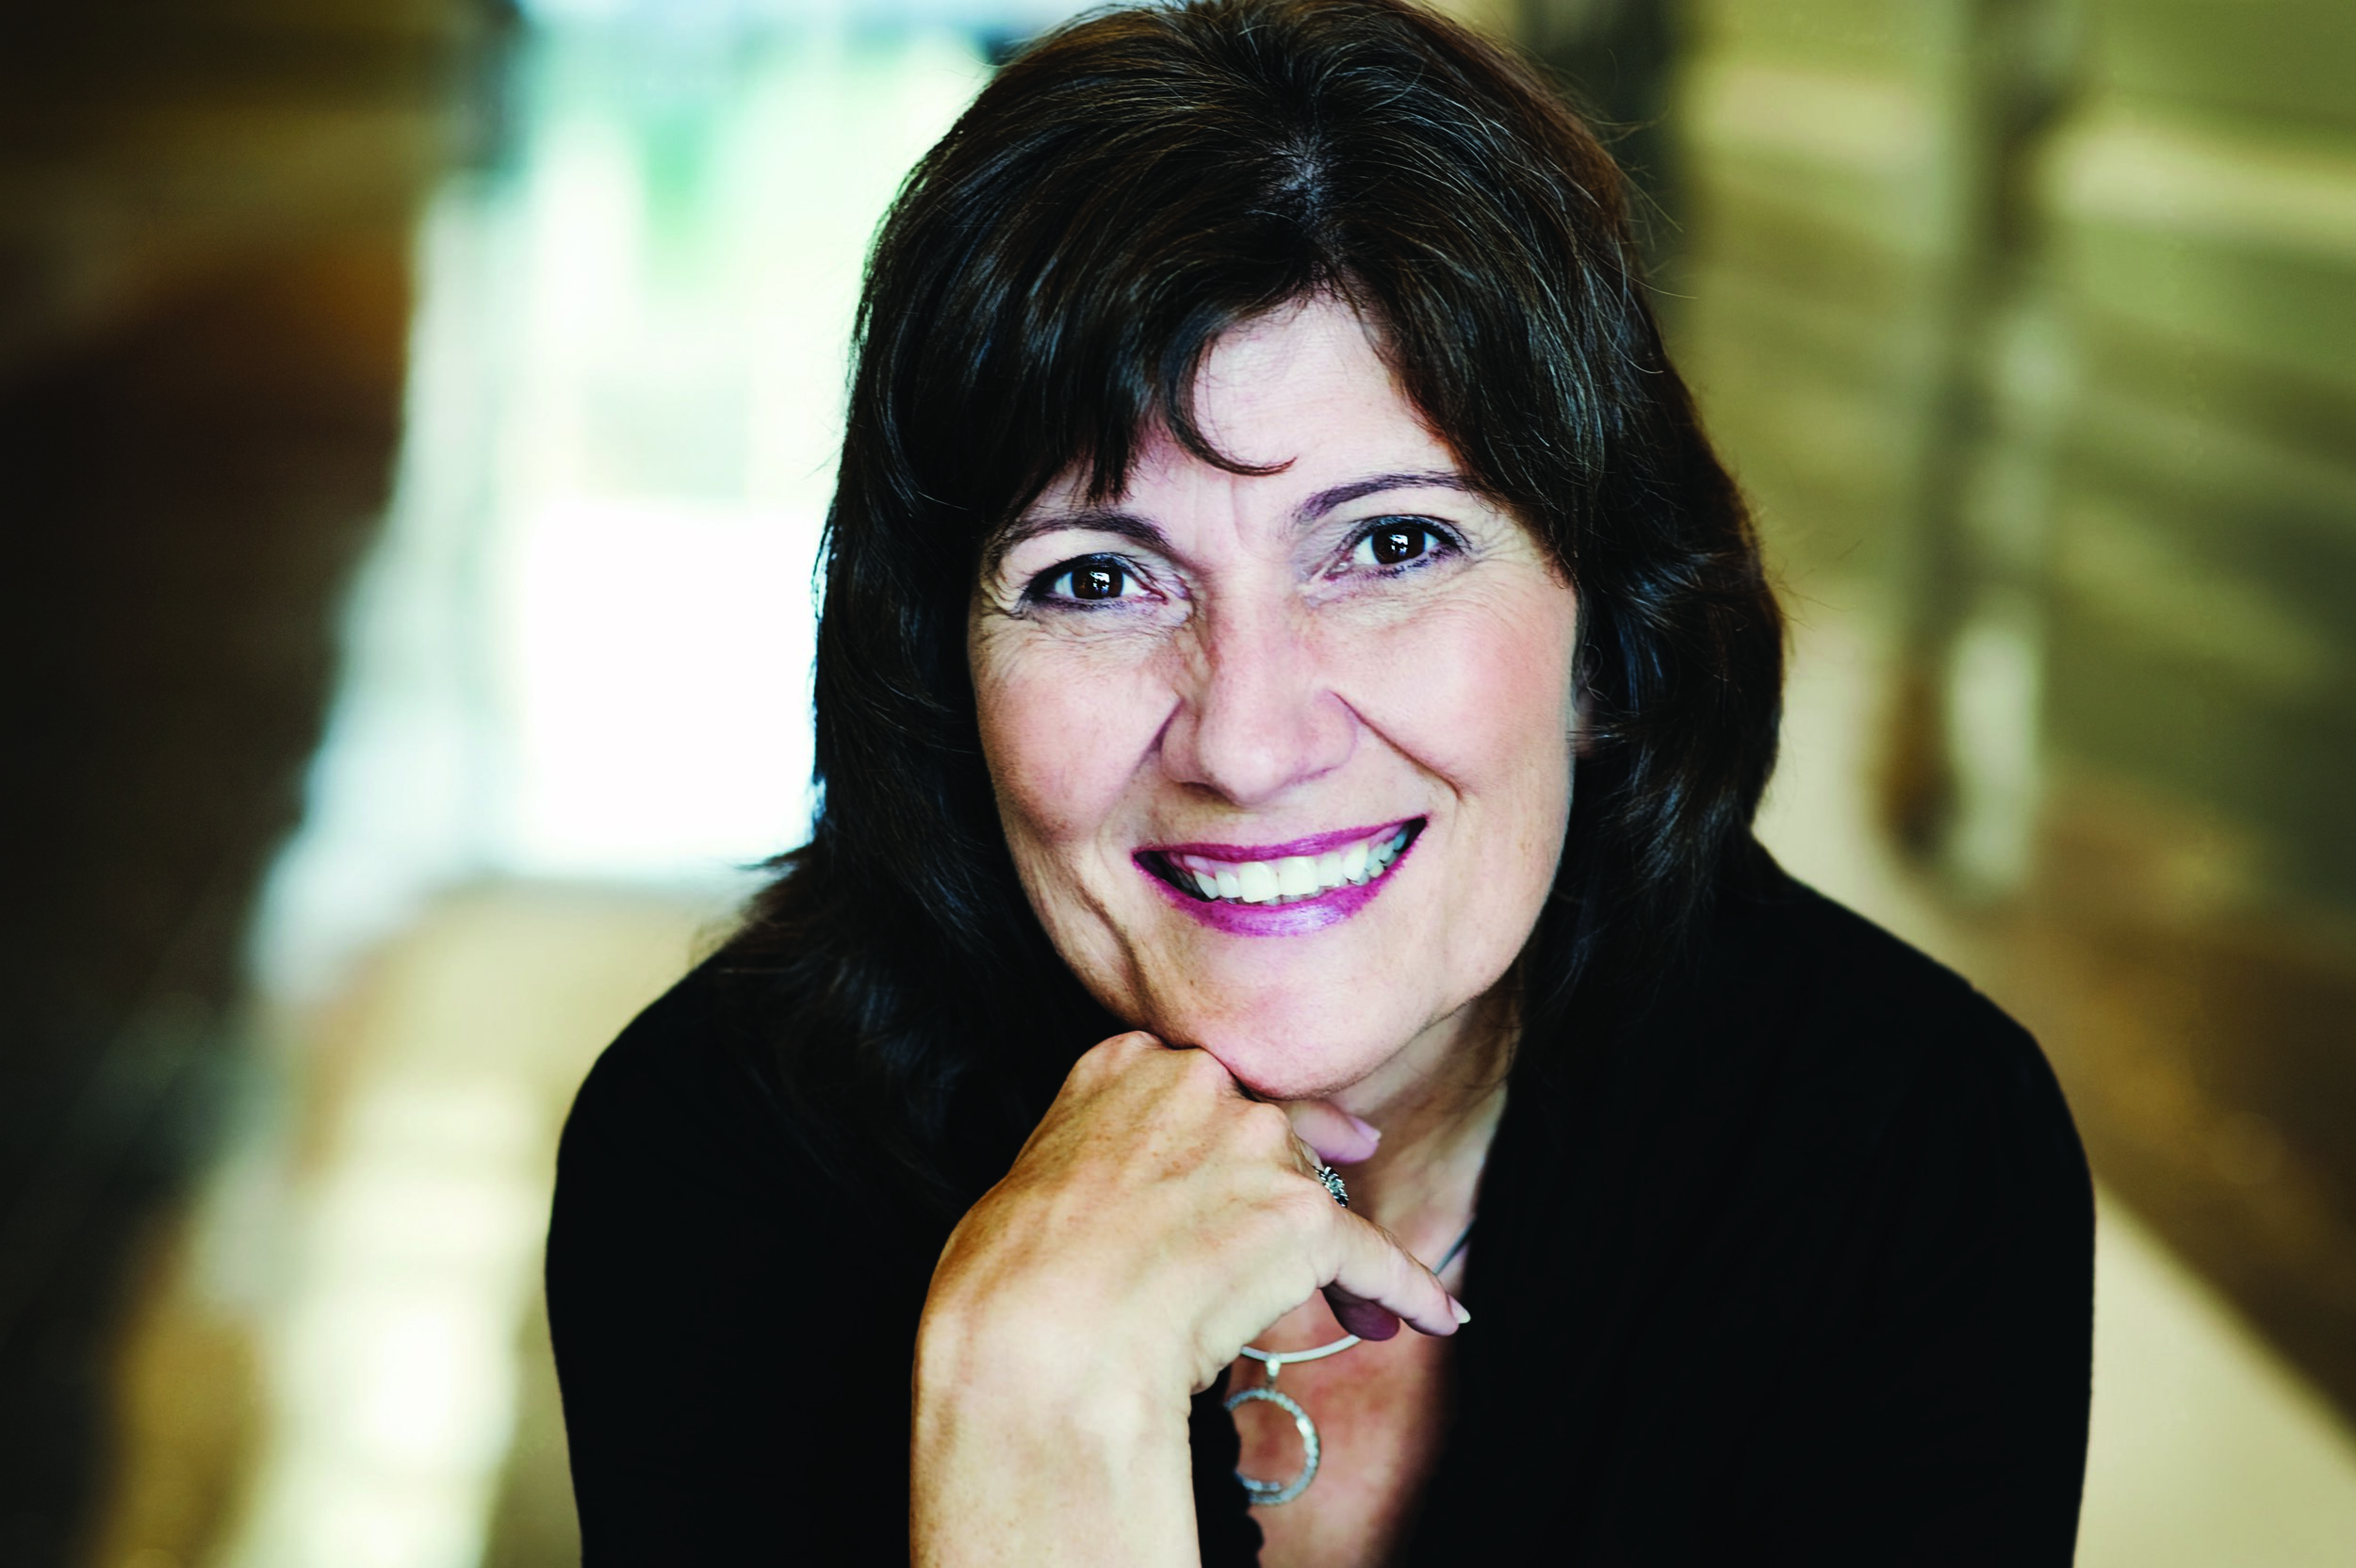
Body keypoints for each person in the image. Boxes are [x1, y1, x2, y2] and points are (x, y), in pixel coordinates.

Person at [545, 2, 2094, 1562]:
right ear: (945, 677)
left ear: (1609, 643)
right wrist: (1035, 1401)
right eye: (1096, 579)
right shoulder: (722, 1159)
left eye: (1393, 545)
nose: (1247, 741)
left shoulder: (1902, 1150)